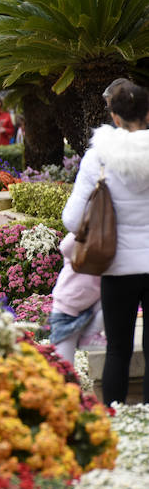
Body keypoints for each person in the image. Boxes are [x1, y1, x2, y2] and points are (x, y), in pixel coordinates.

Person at [62, 80, 149, 404]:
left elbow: (72, 219)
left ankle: (117, 420)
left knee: (117, 350)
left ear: (114, 116)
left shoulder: (99, 157)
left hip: (117, 267)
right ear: (147, 113)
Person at [47, 233, 104, 367]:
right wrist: (87, 229)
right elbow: (66, 247)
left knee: (115, 299)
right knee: (64, 368)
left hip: (92, 305)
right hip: (67, 310)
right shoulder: (83, 233)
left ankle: (88, 336)